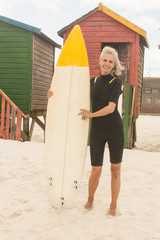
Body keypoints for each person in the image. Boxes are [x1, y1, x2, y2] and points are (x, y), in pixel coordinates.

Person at [78, 46, 124, 216]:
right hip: (97, 131)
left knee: (115, 169)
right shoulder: (92, 82)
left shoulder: (116, 82)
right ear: (99, 61)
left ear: (114, 65)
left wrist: (91, 115)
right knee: (96, 170)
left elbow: (111, 108)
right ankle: (90, 199)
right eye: (104, 60)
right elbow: (74, 94)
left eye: (110, 62)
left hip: (114, 130)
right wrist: (53, 94)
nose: (107, 64)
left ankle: (113, 205)